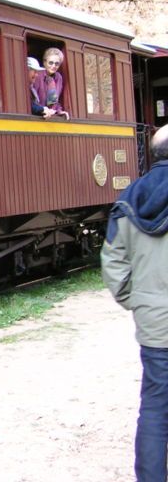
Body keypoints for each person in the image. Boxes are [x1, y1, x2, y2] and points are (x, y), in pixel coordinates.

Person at [102, 125, 168, 482]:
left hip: (155, 323)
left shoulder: (130, 197)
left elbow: (112, 263)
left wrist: (138, 300)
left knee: (156, 408)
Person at [30, 48, 70, 120]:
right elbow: (33, 99)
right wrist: (42, 110)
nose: (53, 66)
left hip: (50, 116)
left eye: (57, 64)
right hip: (39, 116)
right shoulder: (38, 75)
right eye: (50, 63)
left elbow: (54, 100)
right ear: (44, 62)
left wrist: (59, 111)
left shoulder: (58, 78)